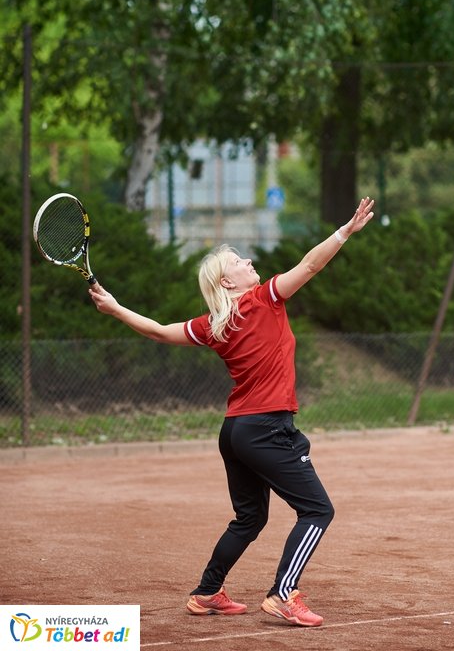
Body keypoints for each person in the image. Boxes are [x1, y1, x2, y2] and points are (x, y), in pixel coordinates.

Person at [89, 196, 374, 627]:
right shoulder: (263, 300)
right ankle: (283, 593)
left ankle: (206, 593)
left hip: (236, 431)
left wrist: (114, 308)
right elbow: (311, 266)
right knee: (317, 510)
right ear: (226, 282)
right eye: (240, 260)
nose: (249, 260)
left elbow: (159, 332)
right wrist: (344, 231)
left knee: (250, 517)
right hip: (265, 428)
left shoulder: (213, 323)